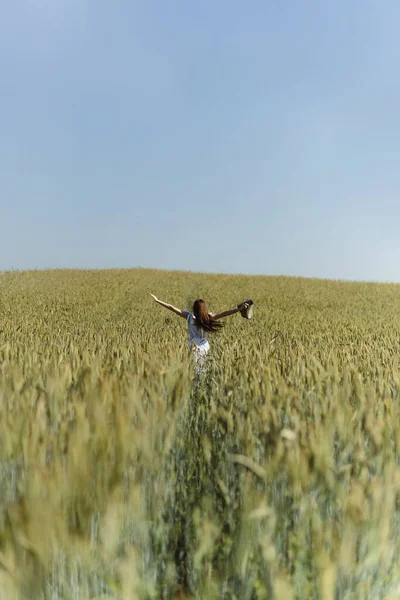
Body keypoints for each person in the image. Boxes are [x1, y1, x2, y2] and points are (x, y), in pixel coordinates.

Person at [149, 294, 250, 374]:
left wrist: (157, 300)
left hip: (192, 347)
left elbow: (172, 308)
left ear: (194, 308)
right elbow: (225, 313)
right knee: (202, 370)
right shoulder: (208, 317)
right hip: (204, 346)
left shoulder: (188, 317)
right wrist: (238, 309)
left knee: (194, 370)